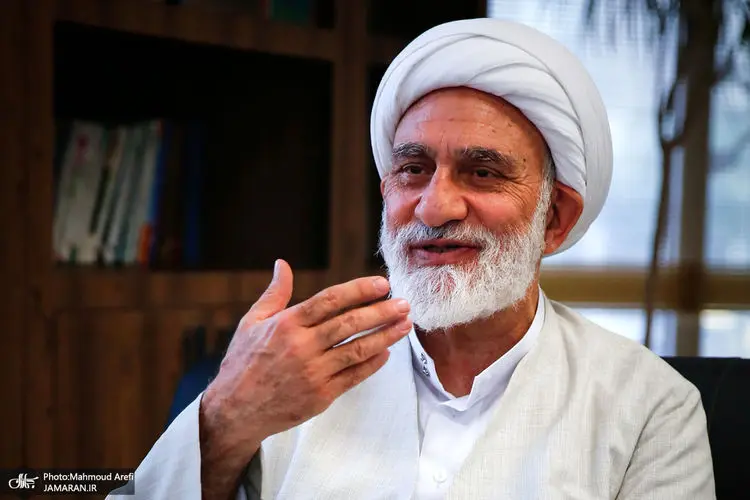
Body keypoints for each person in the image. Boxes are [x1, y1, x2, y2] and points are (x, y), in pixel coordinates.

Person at [111, 18, 715, 500]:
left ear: (554, 218)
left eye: (483, 172)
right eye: (413, 169)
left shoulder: (649, 407)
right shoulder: (287, 370)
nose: (434, 206)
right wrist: (227, 419)